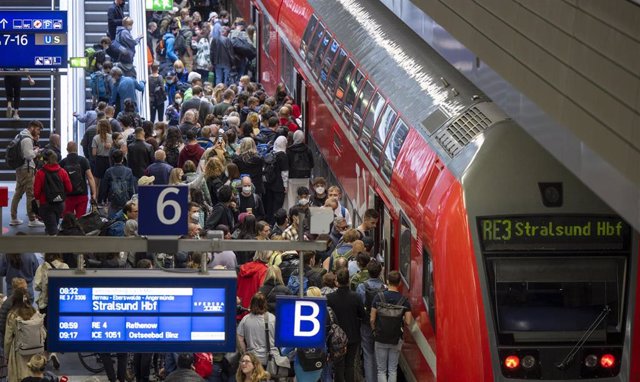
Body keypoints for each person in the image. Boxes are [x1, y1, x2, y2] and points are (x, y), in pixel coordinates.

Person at [370, 271, 412, 382]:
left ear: (387, 281)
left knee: (381, 370)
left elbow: (372, 319)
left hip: (380, 337)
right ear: (399, 283)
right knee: (393, 369)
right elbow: (408, 321)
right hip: (396, 338)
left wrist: (374, 330)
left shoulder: (378, 297)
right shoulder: (404, 301)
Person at [327, 268, 365, 382]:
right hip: (353, 335)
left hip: (336, 338)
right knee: (350, 365)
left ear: (336, 281)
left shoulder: (330, 298)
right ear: (348, 280)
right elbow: (362, 315)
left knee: (338, 365)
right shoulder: (356, 297)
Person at [34, 253, 68, 370]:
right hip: (60, 304)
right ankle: (54, 353)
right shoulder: (64, 266)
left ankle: (45, 357)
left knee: (45, 330)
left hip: (45, 304)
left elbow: (37, 285)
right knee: (56, 328)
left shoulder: (42, 267)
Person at [4, 288, 45, 382]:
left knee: (20, 376)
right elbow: (43, 333)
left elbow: (8, 339)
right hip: (35, 350)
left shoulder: (12, 315)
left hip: (19, 351)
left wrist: (6, 356)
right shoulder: (35, 312)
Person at [10, 120, 44, 227]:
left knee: (18, 193)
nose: (38, 133)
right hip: (27, 170)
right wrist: (36, 151)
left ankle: (13, 217)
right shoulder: (27, 139)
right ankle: (32, 219)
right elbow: (28, 156)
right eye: (38, 129)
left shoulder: (19, 135)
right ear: (32, 127)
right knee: (31, 194)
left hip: (20, 169)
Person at [356, 260, 386, 382]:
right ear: (380, 272)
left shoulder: (361, 287)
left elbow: (359, 305)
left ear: (368, 272)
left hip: (366, 323)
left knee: (368, 354)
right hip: (381, 325)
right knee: (380, 355)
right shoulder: (385, 288)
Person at [33, 150, 73, 235]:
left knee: (52, 231)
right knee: (53, 225)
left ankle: (52, 246)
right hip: (60, 204)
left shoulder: (40, 173)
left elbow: (36, 192)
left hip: (46, 204)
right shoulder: (62, 171)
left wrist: (38, 202)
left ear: (45, 160)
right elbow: (69, 188)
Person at [237, 292, 276, 366]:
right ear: (265, 304)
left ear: (252, 303)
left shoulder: (245, 319)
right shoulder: (272, 318)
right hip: (270, 359)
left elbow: (240, 339)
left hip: (253, 359)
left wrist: (245, 353)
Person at [60, 141, 97, 218]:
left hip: (68, 195)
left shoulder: (63, 162)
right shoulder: (83, 160)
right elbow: (90, 178)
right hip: (82, 194)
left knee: (68, 219)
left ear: (67, 149)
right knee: (81, 219)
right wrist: (94, 193)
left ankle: (69, 230)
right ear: (77, 149)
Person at [101, 149, 136, 217]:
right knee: (125, 219)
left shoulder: (108, 171)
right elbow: (131, 188)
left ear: (113, 159)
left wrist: (104, 200)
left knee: (112, 221)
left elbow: (104, 187)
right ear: (122, 159)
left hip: (113, 200)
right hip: (126, 200)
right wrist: (132, 200)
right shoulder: (129, 171)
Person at [264, 136, 289, 222]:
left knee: (269, 204)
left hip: (269, 183)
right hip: (279, 185)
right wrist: (285, 185)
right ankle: (275, 221)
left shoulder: (271, 152)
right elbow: (284, 173)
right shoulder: (283, 156)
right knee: (277, 205)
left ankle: (269, 221)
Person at [287, 130, 314, 209]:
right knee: (304, 197)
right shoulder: (308, 149)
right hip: (305, 177)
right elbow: (312, 164)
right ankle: (305, 211)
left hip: (292, 177)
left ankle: (292, 214)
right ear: (303, 138)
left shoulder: (289, 150)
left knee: (292, 198)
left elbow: (287, 165)